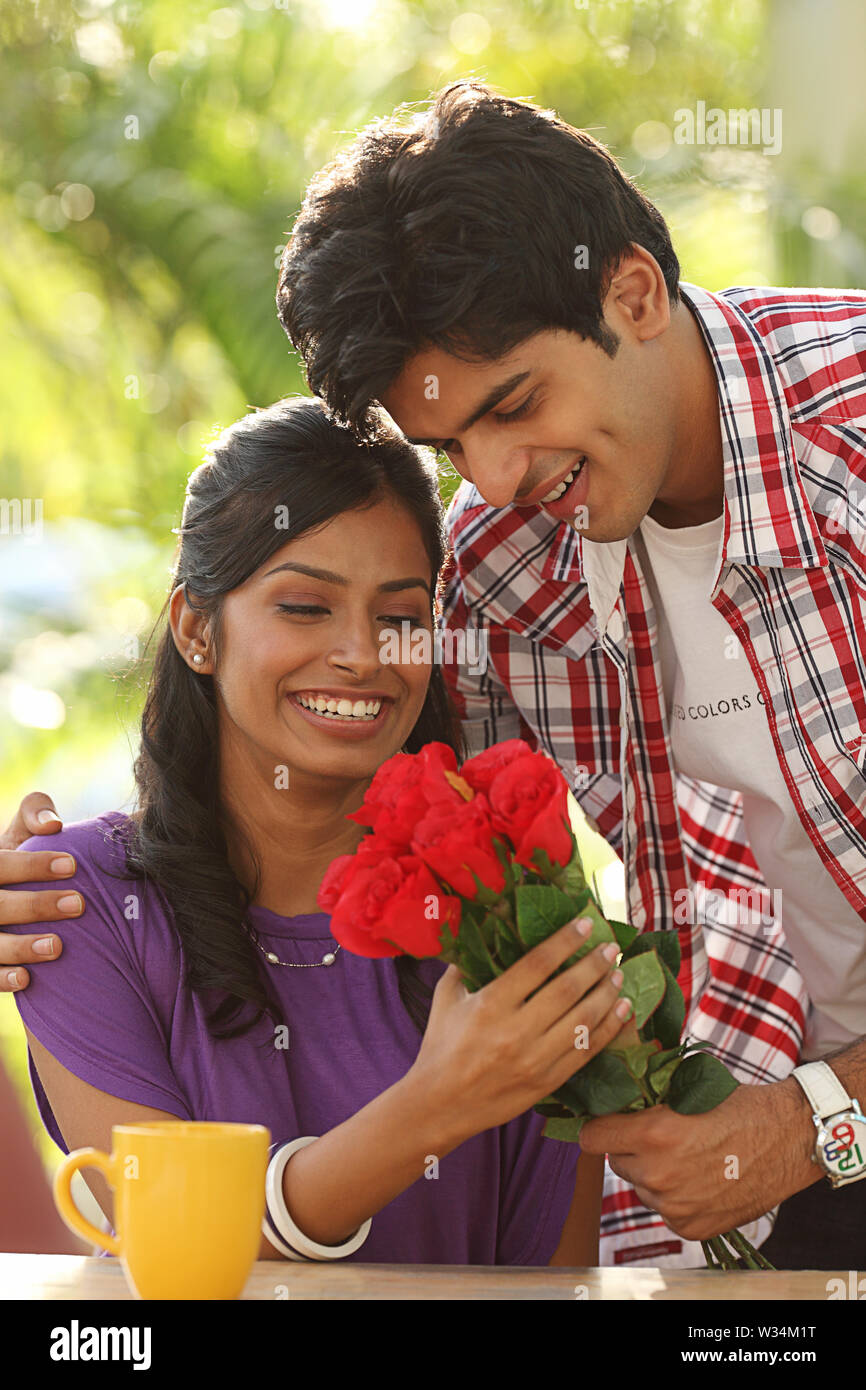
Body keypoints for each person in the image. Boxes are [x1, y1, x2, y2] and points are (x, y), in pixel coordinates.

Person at [271, 81, 866, 1270]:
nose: (491, 479)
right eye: (448, 446)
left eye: (515, 404)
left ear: (632, 292)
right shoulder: (501, 572)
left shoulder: (847, 441)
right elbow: (365, 814)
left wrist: (815, 1123)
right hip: (772, 1178)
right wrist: (72, 878)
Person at [1, 396, 634, 1266]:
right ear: (196, 629)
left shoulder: (507, 910)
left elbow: (554, 1287)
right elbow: (174, 1254)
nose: (364, 655)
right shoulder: (77, 903)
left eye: (402, 616)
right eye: (305, 606)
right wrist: (435, 1107)